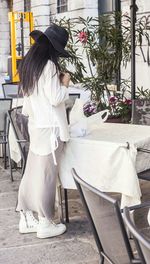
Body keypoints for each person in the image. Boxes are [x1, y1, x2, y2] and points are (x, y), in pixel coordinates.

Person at [16, 24, 71, 239]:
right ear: (53, 48)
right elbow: (55, 98)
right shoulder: (49, 66)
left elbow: (29, 102)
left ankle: (26, 216)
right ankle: (46, 222)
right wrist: (65, 83)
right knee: (47, 176)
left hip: (37, 126)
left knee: (32, 173)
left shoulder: (30, 65)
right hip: (51, 130)